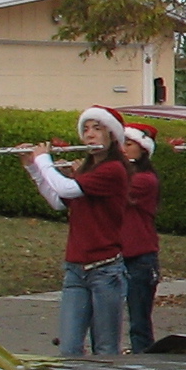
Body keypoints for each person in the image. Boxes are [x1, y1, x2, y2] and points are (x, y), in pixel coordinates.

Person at [27, 108, 132, 357]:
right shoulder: (86, 171)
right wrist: (33, 168)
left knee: (105, 349)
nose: (89, 135)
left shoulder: (114, 169)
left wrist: (44, 161)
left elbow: (66, 187)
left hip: (105, 270)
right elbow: (59, 200)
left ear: (111, 135)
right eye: (86, 129)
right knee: (69, 348)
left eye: (97, 128)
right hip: (75, 269)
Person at [119, 123, 161, 354]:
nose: (123, 149)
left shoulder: (145, 179)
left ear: (143, 149)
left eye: (129, 144)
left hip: (140, 259)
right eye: (121, 144)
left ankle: (144, 364)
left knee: (139, 323)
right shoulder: (119, 173)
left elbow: (115, 188)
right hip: (116, 257)